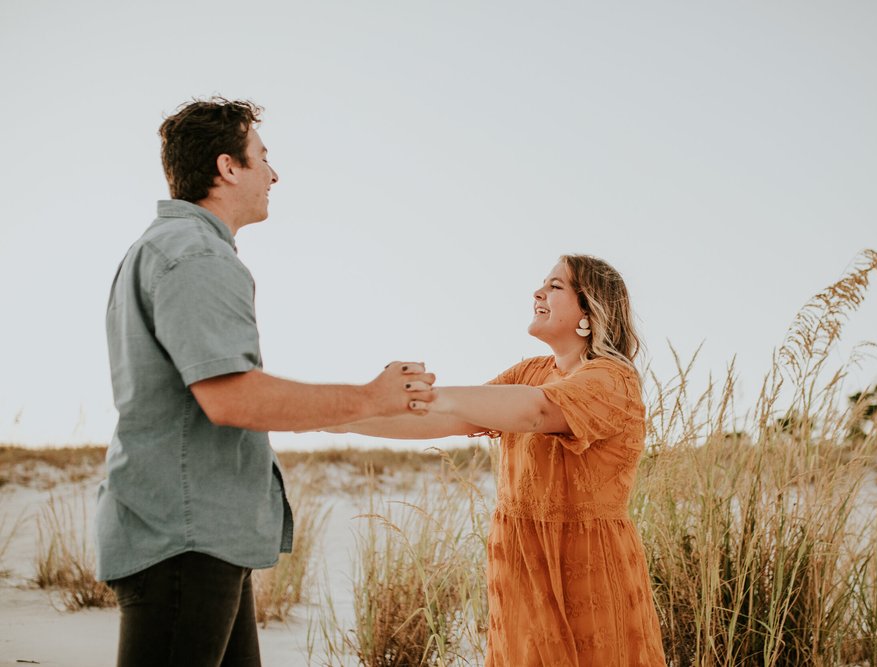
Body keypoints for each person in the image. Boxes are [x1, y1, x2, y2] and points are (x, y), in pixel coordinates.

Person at [97, 97, 434, 667]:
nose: (274, 174)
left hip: (196, 538)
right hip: (185, 541)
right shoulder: (196, 255)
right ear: (228, 167)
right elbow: (232, 398)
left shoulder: (170, 249)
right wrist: (370, 396)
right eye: (263, 157)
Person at [326, 254, 667, 666]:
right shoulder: (530, 372)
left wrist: (425, 391)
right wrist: (345, 417)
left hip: (586, 564)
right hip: (520, 558)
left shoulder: (613, 379)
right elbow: (456, 417)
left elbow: (536, 412)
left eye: (555, 286)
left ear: (590, 309)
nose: (538, 292)